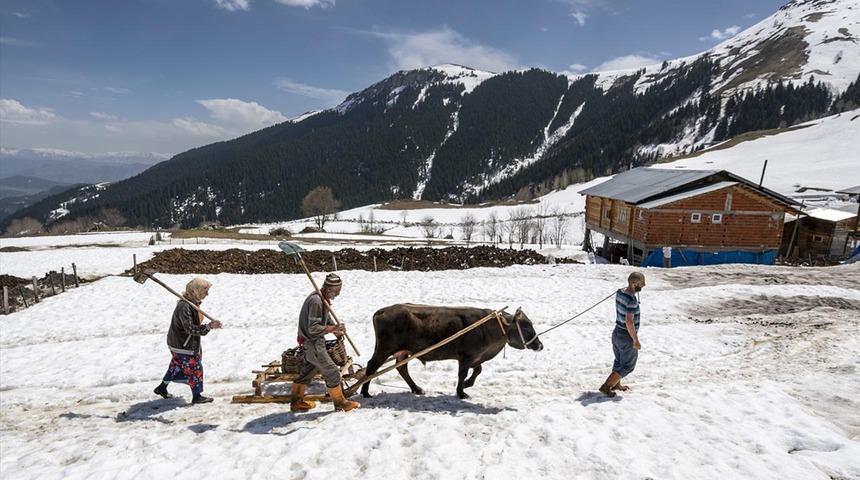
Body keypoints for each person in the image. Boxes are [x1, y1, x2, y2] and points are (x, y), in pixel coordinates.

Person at [290, 273, 360, 413]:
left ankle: (296, 402)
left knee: (309, 371)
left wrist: (335, 330)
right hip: (313, 342)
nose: (338, 294)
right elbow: (313, 328)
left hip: (314, 342)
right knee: (332, 372)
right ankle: (340, 403)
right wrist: (333, 328)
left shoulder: (323, 298)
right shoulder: (316, 301)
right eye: (336, 292)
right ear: (329, 289)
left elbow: (325, 319)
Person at [153, 278, 222, 404]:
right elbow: (190, 329)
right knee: (195, 369)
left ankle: (162, 387)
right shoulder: (184, 307)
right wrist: (209, 326)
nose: (207, 294)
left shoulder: (192, 304)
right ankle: (197, 396)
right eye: (204, 291)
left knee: (176, 365)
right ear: (196, 291)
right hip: (184, 345)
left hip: (178, 343)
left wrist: (209, 326)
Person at [599, 272, 645, 397]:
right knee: (628, 365)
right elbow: (629, 321)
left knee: (619, 361)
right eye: (642, 283)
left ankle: (616, 384)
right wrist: (635, 340)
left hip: (617, 333)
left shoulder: (620, 292)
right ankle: (607, 386)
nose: (644, 285)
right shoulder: (631, 301)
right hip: (626, 336)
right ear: (634, 283)